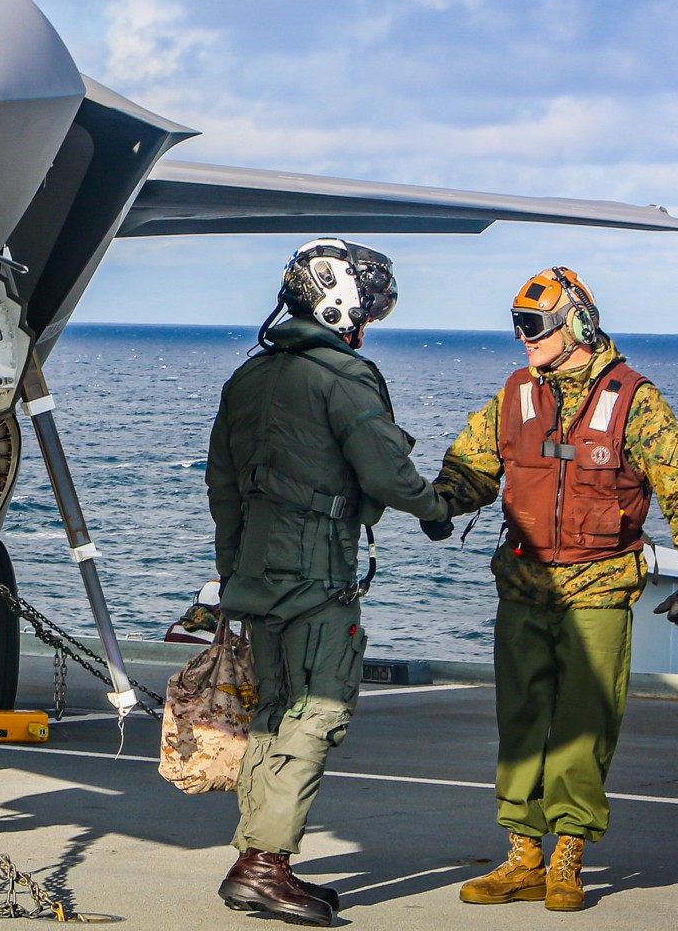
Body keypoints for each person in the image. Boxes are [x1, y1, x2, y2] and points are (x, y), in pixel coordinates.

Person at [426, 267, 678, 913]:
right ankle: (524, 854)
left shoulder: (634, 400)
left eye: (532, 327)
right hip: (524, 587)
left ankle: (568, 855)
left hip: (600, 590)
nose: (522, 339)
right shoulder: (516, 394)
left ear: (576, 326)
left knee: (585, 725)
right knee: (521, 721)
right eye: (517, 326)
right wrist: (441, 502)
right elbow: (473, 464)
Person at [207, 238, 452, 926]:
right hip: (316, 574)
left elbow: (221, 486)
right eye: (368, 305)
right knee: (318, 708)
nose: (369, 320)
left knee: (273, 710)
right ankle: (264, 864)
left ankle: (256, 856)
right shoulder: (343, 377)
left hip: (254, 572)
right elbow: (385, 470)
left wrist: (235, 571)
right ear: (340, 303)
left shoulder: (247, 378)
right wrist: (436, 510)